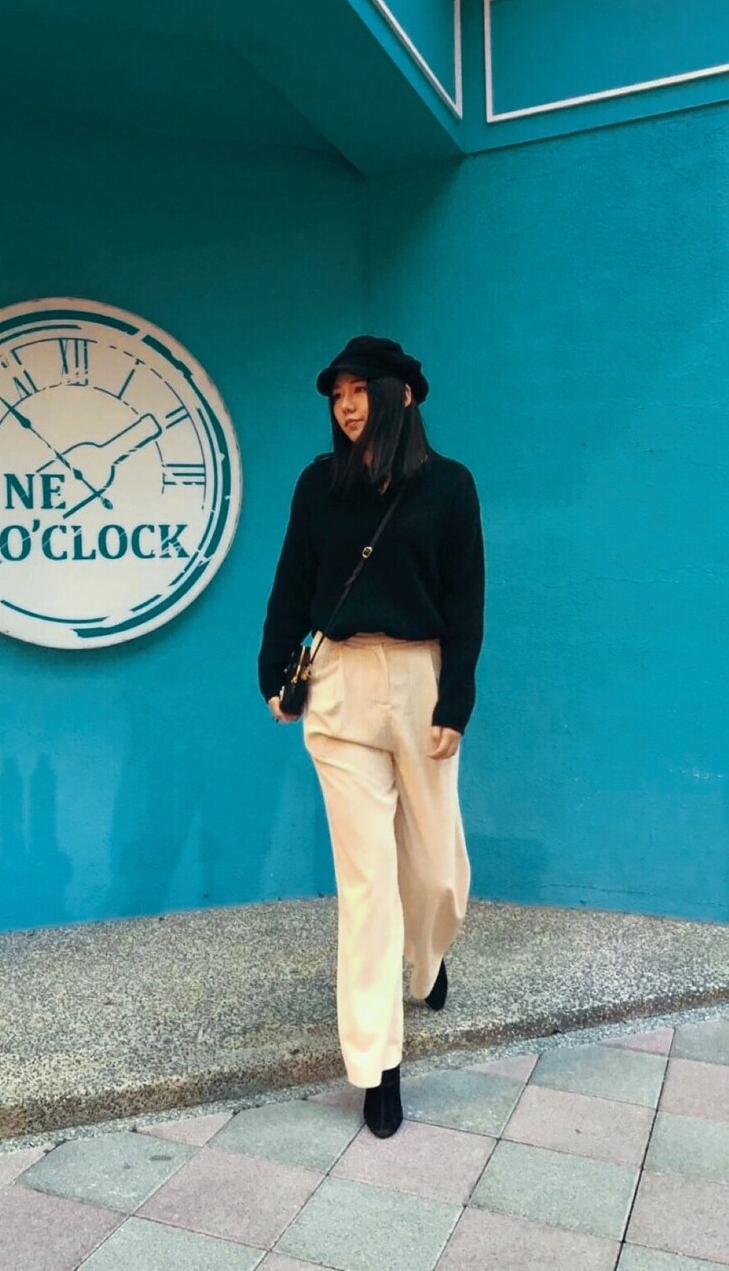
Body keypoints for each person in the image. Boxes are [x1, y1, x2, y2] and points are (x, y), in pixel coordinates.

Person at [258, 336, 484, 1139]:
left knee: (435, 871)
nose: (347, 405)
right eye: (337, 393)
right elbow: (292, 582)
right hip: (340, 685)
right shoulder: (317, 485)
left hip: (421, 682)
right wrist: (273, 671)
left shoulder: (449, 486)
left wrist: (456, 699)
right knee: (366, 884)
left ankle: (428, 955)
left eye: (361, 389)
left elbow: (466, 602)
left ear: (404, 395)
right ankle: (377, 1064)